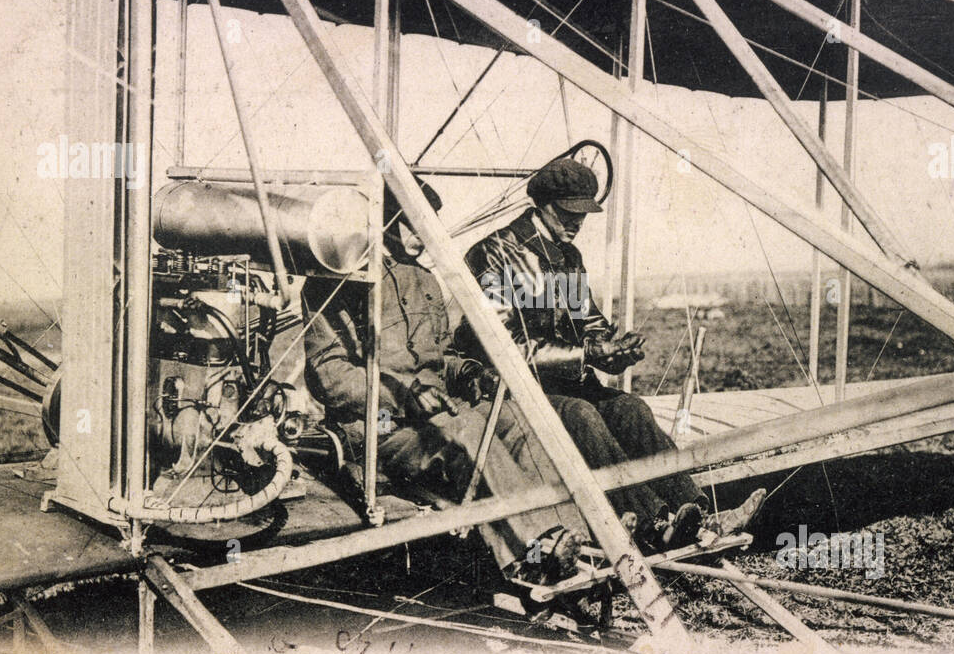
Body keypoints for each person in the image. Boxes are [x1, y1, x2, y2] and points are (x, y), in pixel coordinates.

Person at [458, 157, 764, 554]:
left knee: (630, 409)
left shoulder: (568, 256)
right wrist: (587, 353)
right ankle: (656, 521)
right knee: (583, 416)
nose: (577, 224)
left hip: (567, 382)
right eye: (569, 214)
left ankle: (702, 514)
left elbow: (588, 320)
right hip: (515, 391)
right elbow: (503, 347)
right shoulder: (493, 253)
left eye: (583, 215)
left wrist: (615, 351)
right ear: (541, 205)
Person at [303, 180, 586, 585]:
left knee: (516, 420)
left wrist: (471, 374)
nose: (423, 237)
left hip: (439, 414)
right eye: (412, 226)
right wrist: (405, 397)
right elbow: (330, 376)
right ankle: (534, 550)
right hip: (379, 428)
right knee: (467, 432)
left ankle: (571, 535)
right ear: (384, 222)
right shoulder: (337, 282)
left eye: (428, 226)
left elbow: (443, 356)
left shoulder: (425, 281)